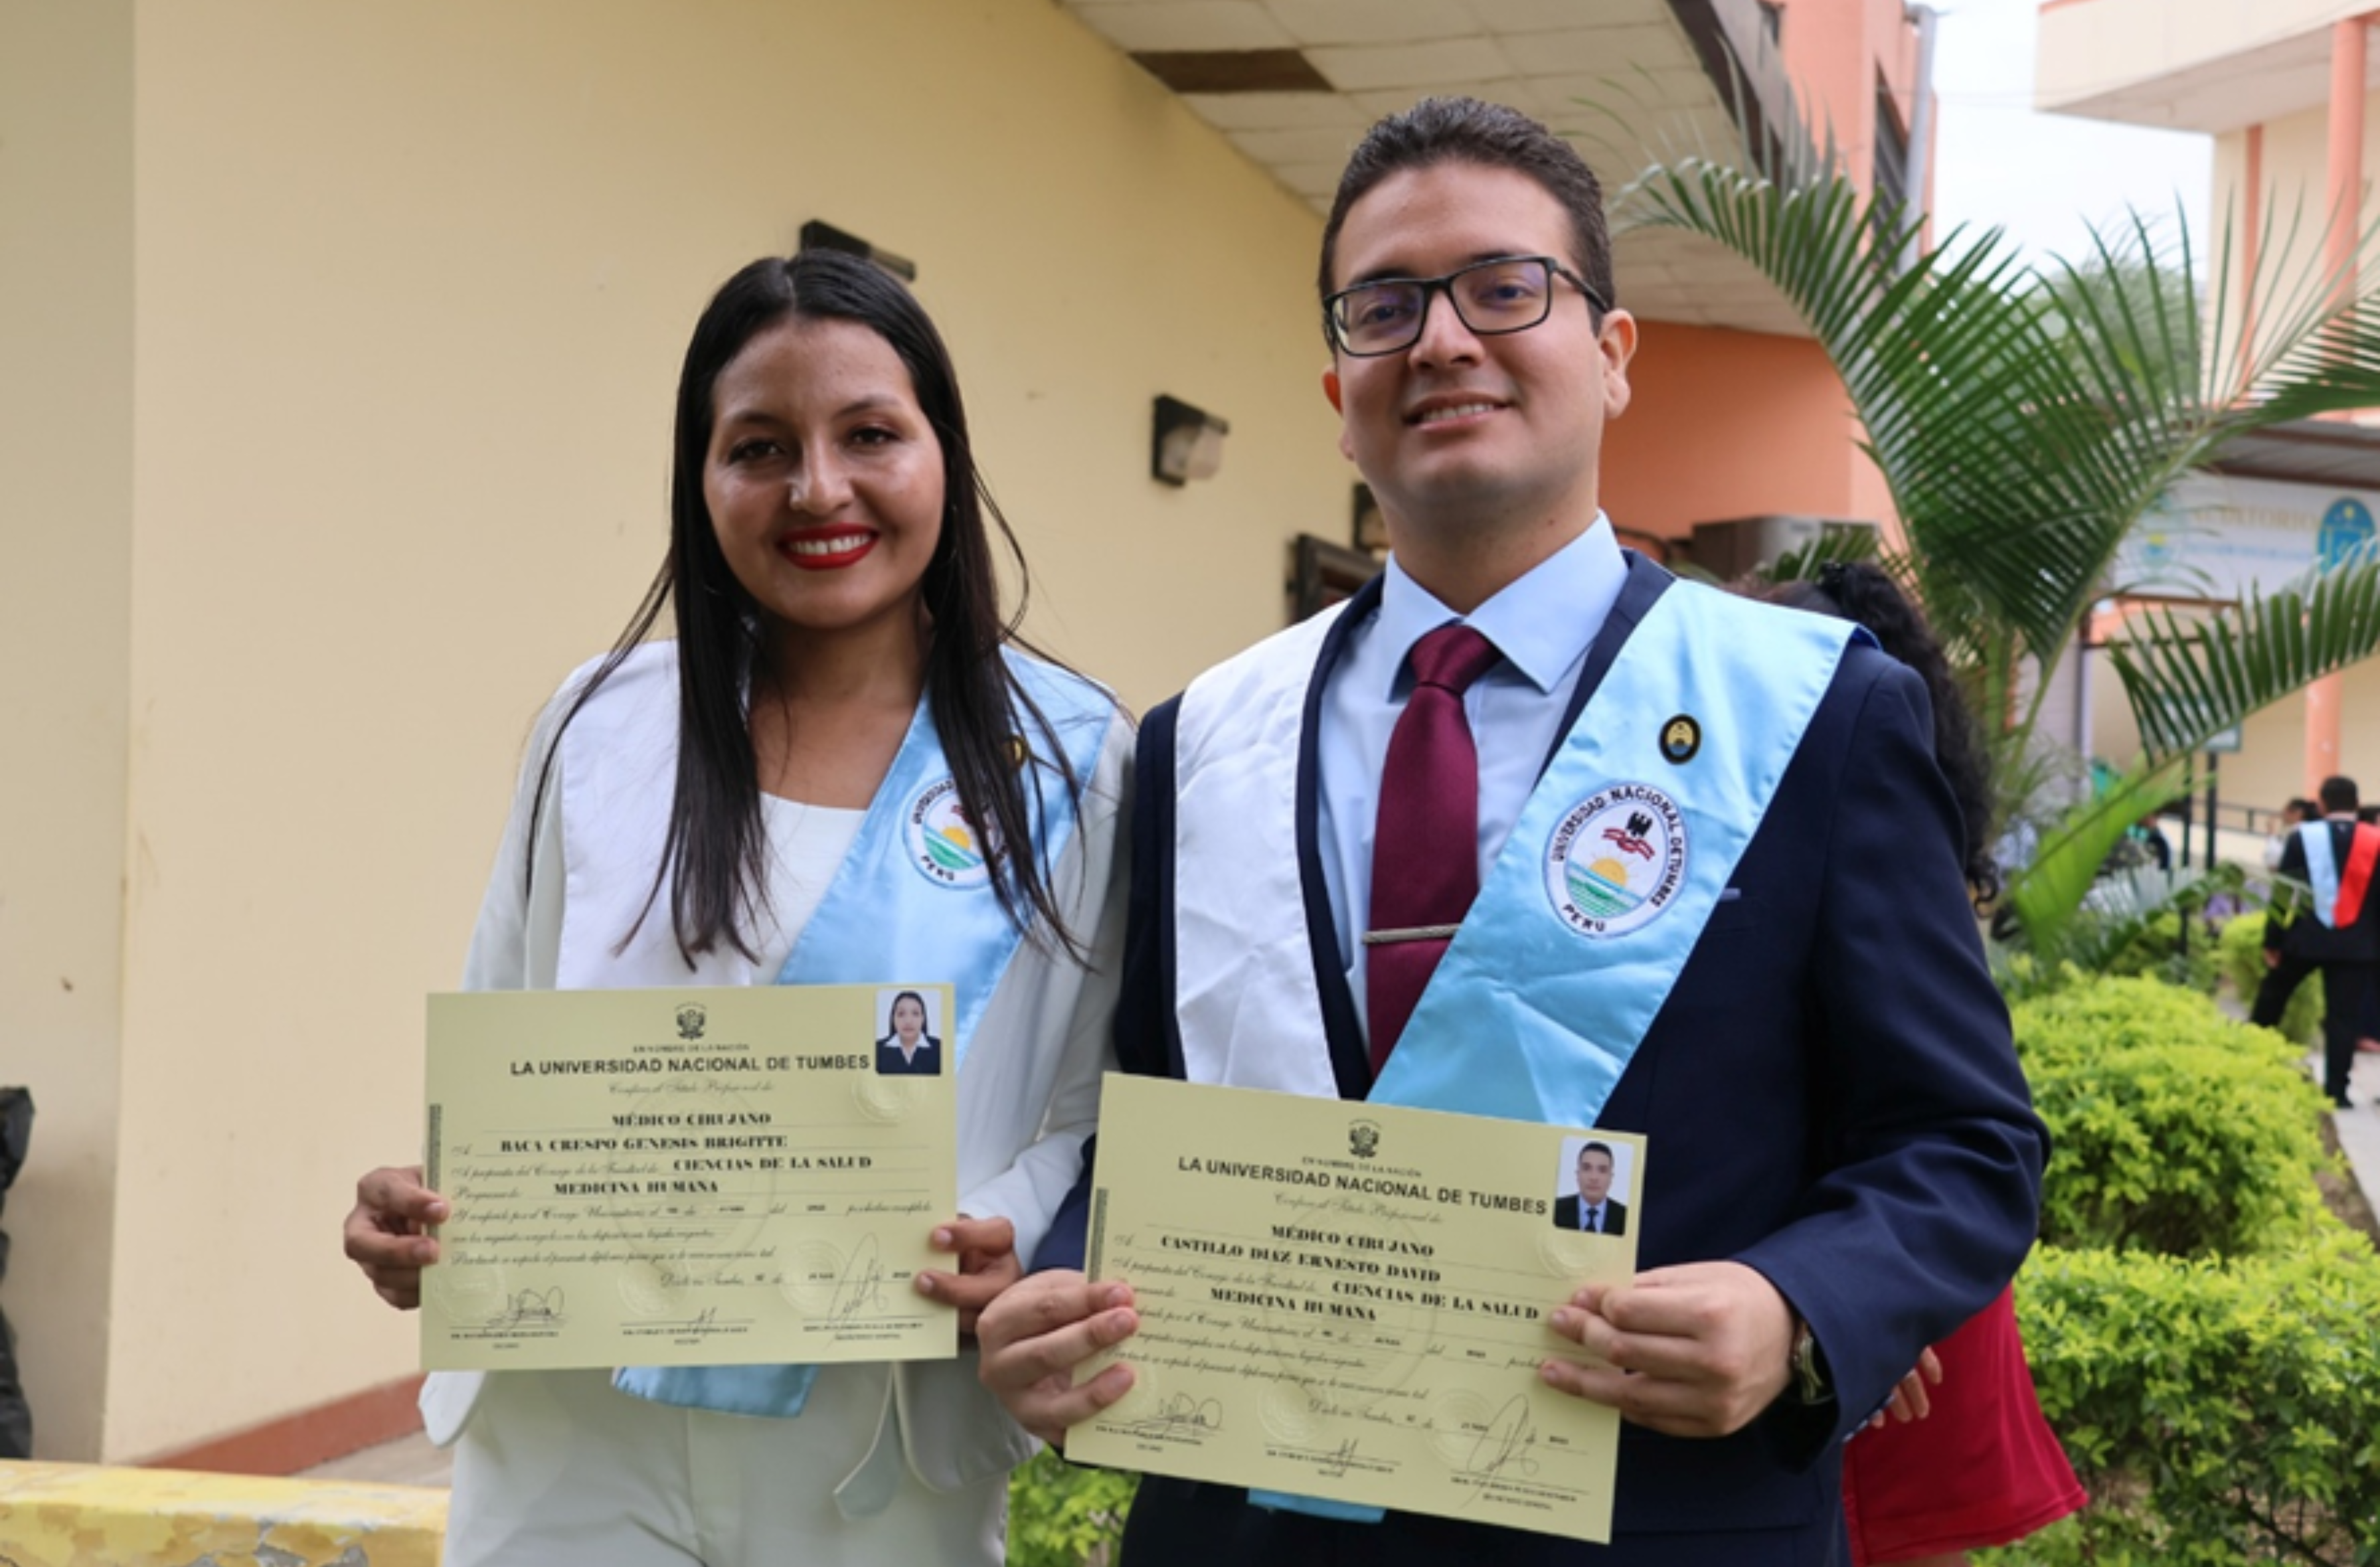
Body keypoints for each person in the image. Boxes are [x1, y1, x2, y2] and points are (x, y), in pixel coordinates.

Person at [978, 98, 2044, 1566]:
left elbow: (1961, 1137)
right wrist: (1055, 1277)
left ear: (1610, 359)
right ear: (1336, 384)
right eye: (1384, 306)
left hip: (1657, 1522)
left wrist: (1796, 1306)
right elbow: (1137, 1108)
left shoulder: (1810, 716)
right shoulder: (1193, 742)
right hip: (1246, 1522)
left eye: (1502, 288)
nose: (1440, 339)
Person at [340, 249, 1130, 1567]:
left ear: (946, 453)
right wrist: (428, 1209)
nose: (818, 489)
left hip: (875, 1431)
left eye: (870, 434)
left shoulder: (1065, 755)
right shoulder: (601, 721)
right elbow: (500, 1026)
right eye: (759, 447)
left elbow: (1090, 1097)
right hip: (571, 1423)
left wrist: (1013, 1234)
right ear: (699, 479)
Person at [1767, 563, 2084, 1567]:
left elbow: (1925, 1099)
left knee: (1889, 1530)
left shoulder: (1865, 826)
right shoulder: (1919, 847)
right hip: (1860, 1271)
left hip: (1869, 1273)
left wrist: (1839, 1297)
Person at [2253, 774, 2380, 1108]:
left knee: (2273, 995)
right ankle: (2337, 1090)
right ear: (2356, 803)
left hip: (2306, 939)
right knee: (2343, 1018)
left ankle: (2251, 1058)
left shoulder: (2302, 838)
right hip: (2358, 946)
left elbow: (2285, 892)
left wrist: (2274, 939)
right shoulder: (2376, 841)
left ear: (2321, 803)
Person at [1552, 1140, 1627, 1235]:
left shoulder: (1626, 1217)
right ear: (1578, 1174)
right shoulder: (1555, 1209)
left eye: (1602, 1170)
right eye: (1587, 1168)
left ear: (1611, 1178)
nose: (1594, 1178)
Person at [878, 988, 945, 1075]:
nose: (908, 1021)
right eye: (901, 1014)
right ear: (893, 1019)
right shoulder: (877, 1050)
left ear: (923, 1019)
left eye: (915, 1014)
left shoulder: (941, 1049)